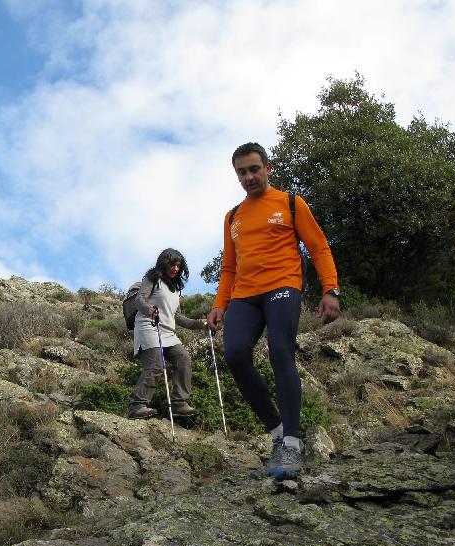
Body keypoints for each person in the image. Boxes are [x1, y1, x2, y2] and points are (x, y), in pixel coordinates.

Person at [206, 142, 340, 479]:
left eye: (254, 169)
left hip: (283, 285)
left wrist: (330, 289)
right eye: (241, 172)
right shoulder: (233, 217)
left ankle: (292, 445)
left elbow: (318, 246)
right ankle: (279, 432)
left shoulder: (291, 203)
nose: (248, 177)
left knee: (281, 350)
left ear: (268, 168)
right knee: (235, 353)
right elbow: (229, 269)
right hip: (245, 295)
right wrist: (219, 304)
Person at [129, 248, 206, 420]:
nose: (175, 269)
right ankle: (137, 406)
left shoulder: (174, 290)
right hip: (149, 327)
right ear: (164, 263)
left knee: (183, 359)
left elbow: (177, 317)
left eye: (178, 266)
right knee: (156, 365)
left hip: (168, 333)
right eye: (172, 264)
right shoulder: (152, 278)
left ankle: (180, 404)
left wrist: (200, 324)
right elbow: (139, 299)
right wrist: (150, 310)